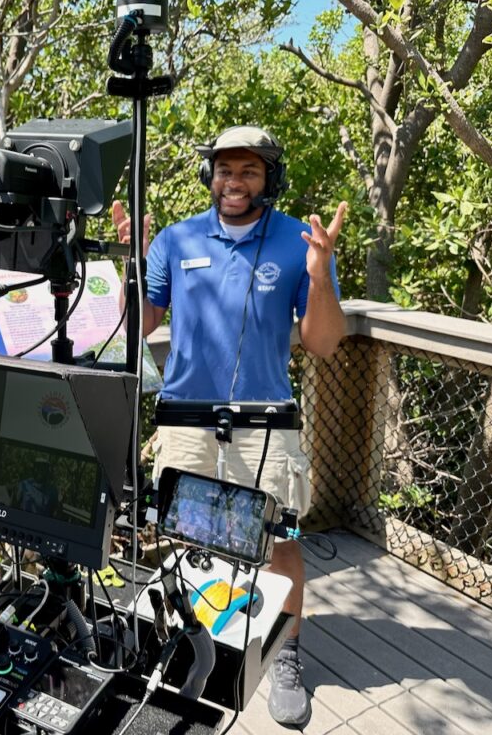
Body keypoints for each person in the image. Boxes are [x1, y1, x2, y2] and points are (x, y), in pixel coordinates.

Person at [114, 125, 347, 727]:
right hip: (185, 417)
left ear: (270, 176)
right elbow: (135, 328)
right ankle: (195, 645)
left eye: (248, 171)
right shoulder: (174, 238)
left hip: (266, 422)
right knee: (188, 540)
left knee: (277, 543)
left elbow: (323, 343)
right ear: (208, 175)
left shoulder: (300, 242)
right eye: (224, 169)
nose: (234, 182)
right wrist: (130, 266)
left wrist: (320, 275)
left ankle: (285, 654)